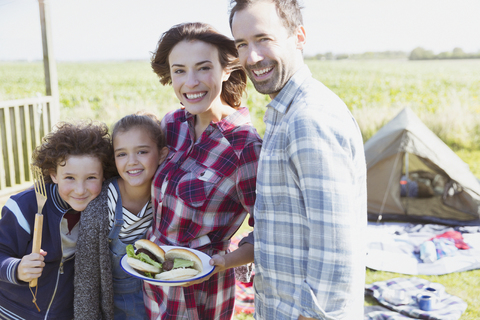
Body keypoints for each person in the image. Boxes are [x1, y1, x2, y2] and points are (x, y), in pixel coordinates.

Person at [229, 0, 367, 319]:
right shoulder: (285, 113)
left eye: (264, 39)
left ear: (299, 37)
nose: (252, 57)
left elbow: (336, 247)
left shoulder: (308, 120)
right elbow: (291, 223)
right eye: (242, 44)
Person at [145, 22, 262, 320]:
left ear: (226, 69)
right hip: (154, 282)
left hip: (199, 292)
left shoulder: (244, 146)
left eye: (203, 68)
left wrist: (226, 261)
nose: (191, 82)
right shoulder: (171, 125)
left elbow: (269, 230)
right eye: (180, 70)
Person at [0, 121, 115, 320]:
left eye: (91, 178)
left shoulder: (102, 211)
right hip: (13, 313)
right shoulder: (24, 207)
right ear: (53, 174)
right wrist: (18, 268)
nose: (80, 190)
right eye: (69, 177)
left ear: (104, 176)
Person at [74, 112, 168, 320]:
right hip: (118, 311)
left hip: (162, 306)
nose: (131, 162)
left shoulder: (168, 199)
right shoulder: (100, 207)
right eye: (122, 154)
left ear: (162, 155)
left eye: (142, 152)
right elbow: (86, 282)